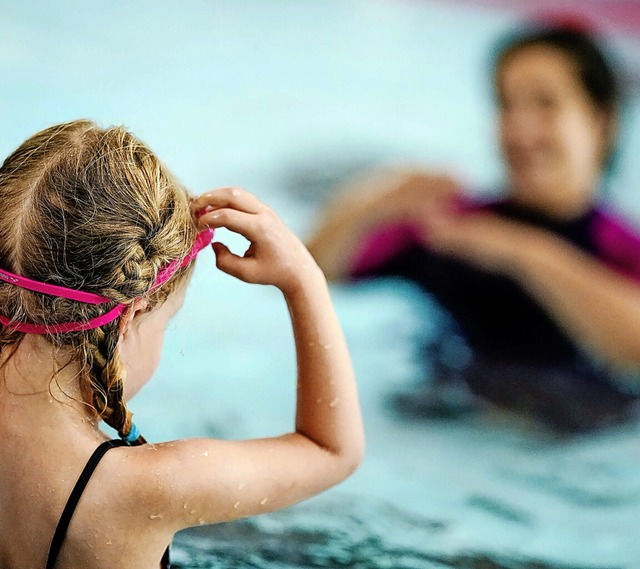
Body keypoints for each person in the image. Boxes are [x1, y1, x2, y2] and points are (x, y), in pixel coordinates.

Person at [0, 120, 364, 568]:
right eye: (165, 323)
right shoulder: (145, 487)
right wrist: (305, 281)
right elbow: (331, 451)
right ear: (130, 315)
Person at [307, 23, 640, 433]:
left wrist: (522, 252)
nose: (520, 130)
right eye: (506, 105)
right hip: (441, 422)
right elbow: (314, 274)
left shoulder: (621, 248)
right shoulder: (456, 226)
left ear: (600, 120)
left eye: (545, 104)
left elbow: (634, 347)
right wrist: (369, 202)